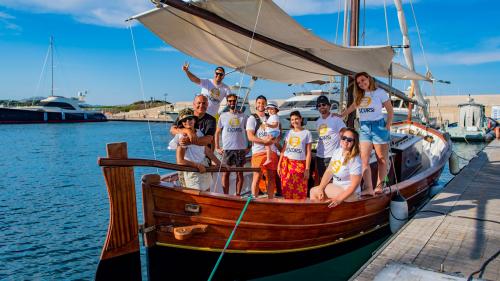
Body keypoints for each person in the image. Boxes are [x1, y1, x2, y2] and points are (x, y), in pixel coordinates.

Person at [337, 72, 394, 195]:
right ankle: (368, 187)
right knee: (364, 160)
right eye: (358, 83)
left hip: (379, 126)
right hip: (364, 127)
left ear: (369, 79)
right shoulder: (359, 95)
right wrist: (341, 115)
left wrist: (388, 125)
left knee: (382, 159)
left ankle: (380, 185)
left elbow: (390, 110)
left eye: (363, 80)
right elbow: (352, 107)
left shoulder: (380, 92)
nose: (361, 83)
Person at [168, 108, 223, 190]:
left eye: (189, 119)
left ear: (194, 120)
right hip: (193, 173)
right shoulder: (182, 137)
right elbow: (180, 161)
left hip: (204, 169)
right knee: (197, 200)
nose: (187, 121)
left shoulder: (199, 132)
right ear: (181, 123)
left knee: (207, 196)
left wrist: (219, 164)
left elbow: (206, 150)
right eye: (184, 120)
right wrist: (197, 166)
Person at [310, 128, 362, 207]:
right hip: (337, 187)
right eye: (344, 138)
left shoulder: (355, 159)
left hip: (351, 193)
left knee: (314, 192)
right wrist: (321, 188)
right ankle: (319, 215)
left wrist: (338, 199)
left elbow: (354, 186)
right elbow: (329, 171)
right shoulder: (337, 151)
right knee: (315, 191)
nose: (345, 141)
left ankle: (321, 215)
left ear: (354, 142)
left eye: (349, 139)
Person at [246, 95, 279, 198]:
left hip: (272, 151)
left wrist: (273, 141)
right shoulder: (252, 118)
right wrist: (265, 141)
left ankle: (270, 200)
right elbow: (250, 137)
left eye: (263, 103)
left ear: (266, 105)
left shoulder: (271, 117)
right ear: (256, 104)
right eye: (259, 103)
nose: (261, 105)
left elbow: (278, 134)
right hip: (258, 152)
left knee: (271, 178)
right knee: (257, 177)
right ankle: (254, 199)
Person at [215, 94, 248, 195]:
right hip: (227, 149)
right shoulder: (223, 116)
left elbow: (248, 132)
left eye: (234, 101)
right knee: (226, 173)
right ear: (227, 102)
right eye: (230, 101)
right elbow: (217, 132)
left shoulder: (243, 116)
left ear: (237, 101)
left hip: (241, 149)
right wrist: (217, 147)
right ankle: (226, 195)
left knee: (240, 173)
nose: (232, 103)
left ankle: (237, 195)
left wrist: (249, 146)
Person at [277, 111, 312, 199]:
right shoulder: (288, 133)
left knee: (300, 189)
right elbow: (283, 149)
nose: (294, 121)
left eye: (296, 119)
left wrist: (307, 169)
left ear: (301, 119)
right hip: (287, 164)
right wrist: (279, 165)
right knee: (286, 189)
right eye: (292, 120)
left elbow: (308, 153)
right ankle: (288, 208)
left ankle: (299, 209)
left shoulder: (307, 133)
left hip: (300, 164)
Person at [315, 95, 346, 181]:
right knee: (323, 180)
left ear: (329, 106)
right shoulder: (318, 121)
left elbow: (344, 133)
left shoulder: (336, 119)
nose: (321, 107)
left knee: (333, 181)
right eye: (319, 105)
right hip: (320, 156)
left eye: (324, 104)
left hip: (333, 156)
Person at [263, 101, 280, 167]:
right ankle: (268, 158)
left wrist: (268, 125)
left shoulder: (274, 116)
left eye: (272, 109)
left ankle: (268, 158)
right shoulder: (272, 116)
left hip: (273, 132)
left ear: (276, 109)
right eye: (269, 109)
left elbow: (275, 125)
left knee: (266, 144)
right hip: (272, 132)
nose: (270, 110)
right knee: (266, 144)